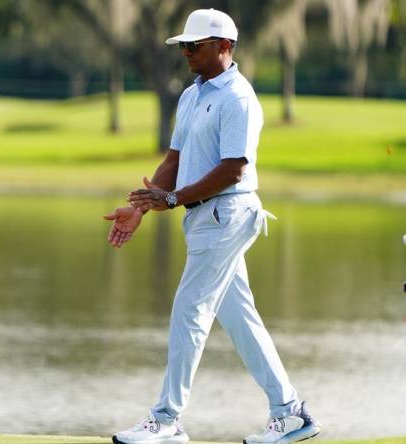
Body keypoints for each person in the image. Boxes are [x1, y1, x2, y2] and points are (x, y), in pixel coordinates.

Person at [103, 9, 321, 444]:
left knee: (190, 311)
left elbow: (233, 170)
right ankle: (290, 411)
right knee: (240, 319)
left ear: (224, 46)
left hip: (228, 212)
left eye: (194, 45)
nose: (186, 53)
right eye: (183, 45)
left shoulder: (238, 97)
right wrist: (145, 205)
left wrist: (171, 199)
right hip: (202, 217)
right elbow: (175, 160)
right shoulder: (191, 94)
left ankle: (166, 420)